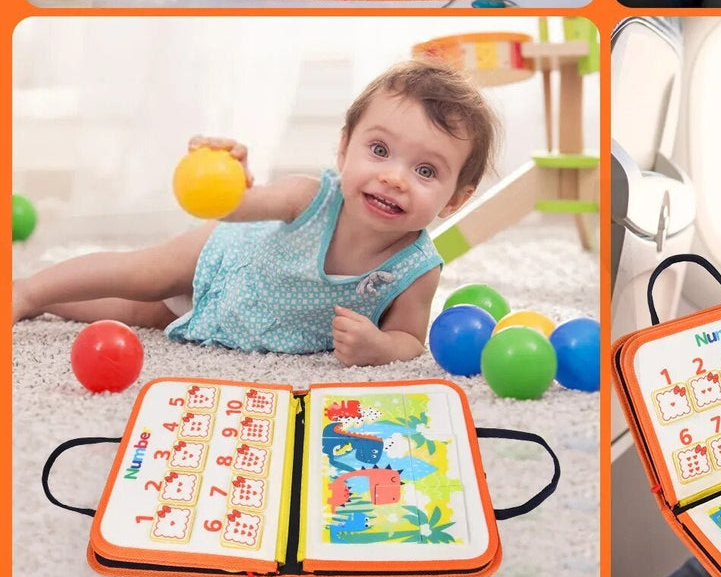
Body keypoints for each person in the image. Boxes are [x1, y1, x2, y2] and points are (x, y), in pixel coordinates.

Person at [12, 61, 498, 366]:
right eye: (378, 149)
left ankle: (44, 302)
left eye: (426, 171)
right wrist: (234, 180)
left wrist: (379, 347)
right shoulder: (310, 197)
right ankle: (26, 290)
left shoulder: (417, 268)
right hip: (223, 257)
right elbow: (240, 206)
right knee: (141, 274)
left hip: (237, 318)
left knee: (136, 313)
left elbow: (409, 339)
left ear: (455, 199)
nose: (394, 177)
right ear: (345, 147)